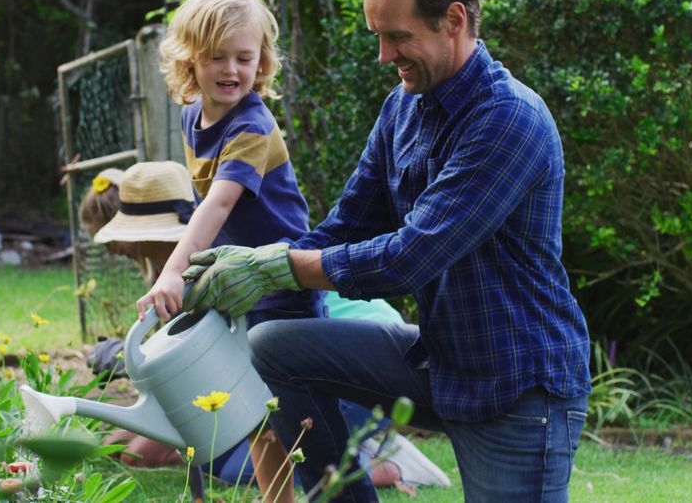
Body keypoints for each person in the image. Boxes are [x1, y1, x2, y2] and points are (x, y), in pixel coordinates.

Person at [179, 0, 592, 501]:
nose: (384, 55)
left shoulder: (508, 120)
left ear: (453, 20)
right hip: (441, 360)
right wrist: (253, 266)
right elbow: (346, 227)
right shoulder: (403, 107)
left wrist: (278, 266)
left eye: (398, 36)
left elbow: (410, 257)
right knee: (275, 344)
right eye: (378, 35)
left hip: (519, 386)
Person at [80, 162, 450, 492]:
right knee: (211, 446)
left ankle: (377, 464)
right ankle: (356, 445)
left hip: (356, 364)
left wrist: (125, 445)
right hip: (319, 365)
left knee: (225, 458)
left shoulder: (212, 271)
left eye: (121, 238)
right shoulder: (175, 280)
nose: (118, 249)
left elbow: (191, 403)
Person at [136, 0, 322, 502]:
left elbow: (219, 203)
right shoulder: (192, 116)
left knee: (293, 417)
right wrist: (186, 269)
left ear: (262, 60)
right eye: (217, 57)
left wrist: (173, 271)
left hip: (281, 281)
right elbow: (204, 208)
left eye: (244, 57)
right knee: (249, 412)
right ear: (189, 60)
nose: (232, 70)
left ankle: (342, 483)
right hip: (236, 282)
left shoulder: (252, 126)